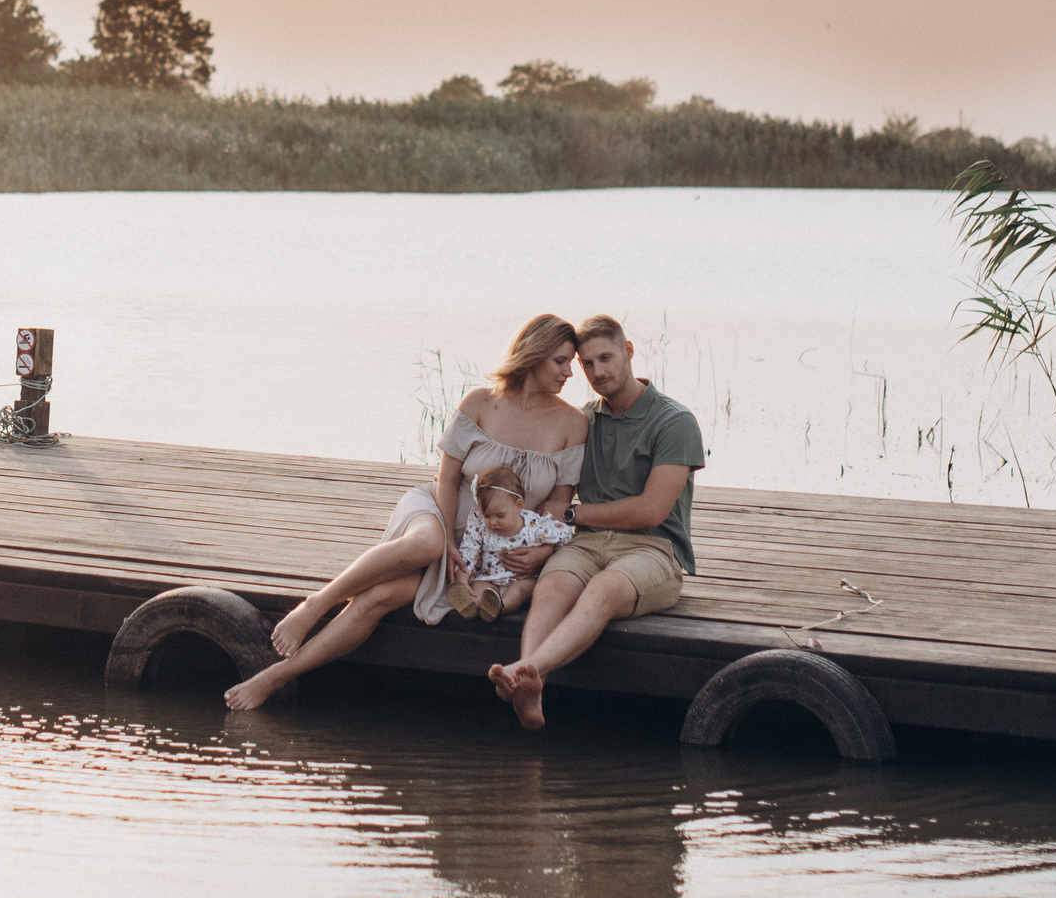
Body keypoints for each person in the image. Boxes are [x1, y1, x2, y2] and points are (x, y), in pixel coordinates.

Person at [222, 313, 586, 710]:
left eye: (570, 362)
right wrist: (448, 543)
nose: (570, 371)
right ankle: (316, 604)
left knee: (376, 599)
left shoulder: (571, 423)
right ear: (533, 355)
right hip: (435, 514)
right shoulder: (481, 402)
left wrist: (543, 552)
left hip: (486, 555)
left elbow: (557, 504)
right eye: (560, 361)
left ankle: (274, 678)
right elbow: (446, 480)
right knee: (428, 543)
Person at [487, 313, 703, 732]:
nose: (597, 371)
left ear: (628, 352)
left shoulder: (674, 422)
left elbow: (651, 511)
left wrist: (572, 515)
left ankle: (527, 668)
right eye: (586, 364)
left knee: (604, 589)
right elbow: (548, 485)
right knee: (550, 589)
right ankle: (532, 687)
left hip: (653, 548)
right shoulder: (584, 419)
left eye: (606, 358)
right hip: (586, 544)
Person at [450, 466, 576, 620]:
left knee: (519, 592)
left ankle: (500, 607)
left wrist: (547, 550)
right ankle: (470, 604)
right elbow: (468, 553)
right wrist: (462, 581)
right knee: (478, 588)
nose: (493, 522)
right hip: (490, 579)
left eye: (500, 516)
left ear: (518, 506)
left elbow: (565, 535)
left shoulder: (534, 525)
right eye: (487, 515)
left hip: (522, 580)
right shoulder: (480, 526)